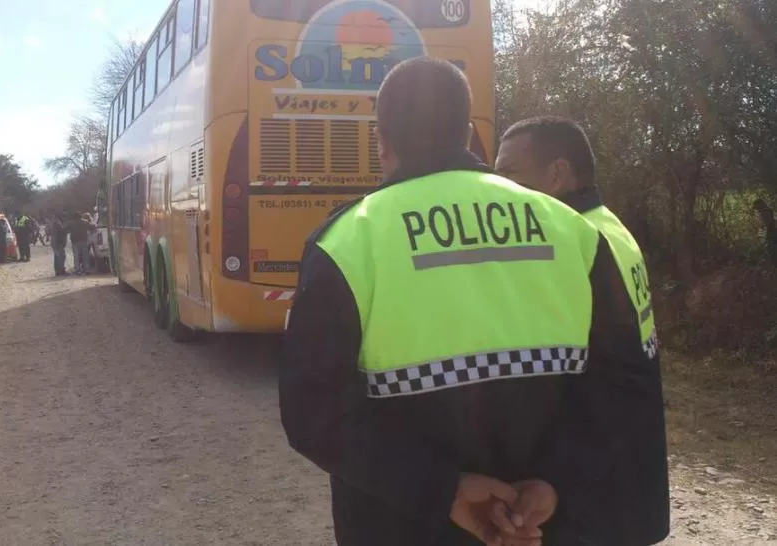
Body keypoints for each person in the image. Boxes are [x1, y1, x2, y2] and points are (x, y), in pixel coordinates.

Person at [279, 57, 668, 546]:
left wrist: (445, 491)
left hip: (398, 527)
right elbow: (624, 382)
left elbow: (312, 412)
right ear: (467, 134)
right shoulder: (574, 231)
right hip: (545, 526)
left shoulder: (346, 241)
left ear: (382, 140)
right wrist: (557, 482)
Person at [495, 115, 670, 541]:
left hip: (591, 499)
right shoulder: (608, 226)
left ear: (556, 174)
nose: (498, 189)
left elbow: (596, 382)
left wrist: (554, 481)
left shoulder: (571, 245)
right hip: (627, 480)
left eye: (509, 174)